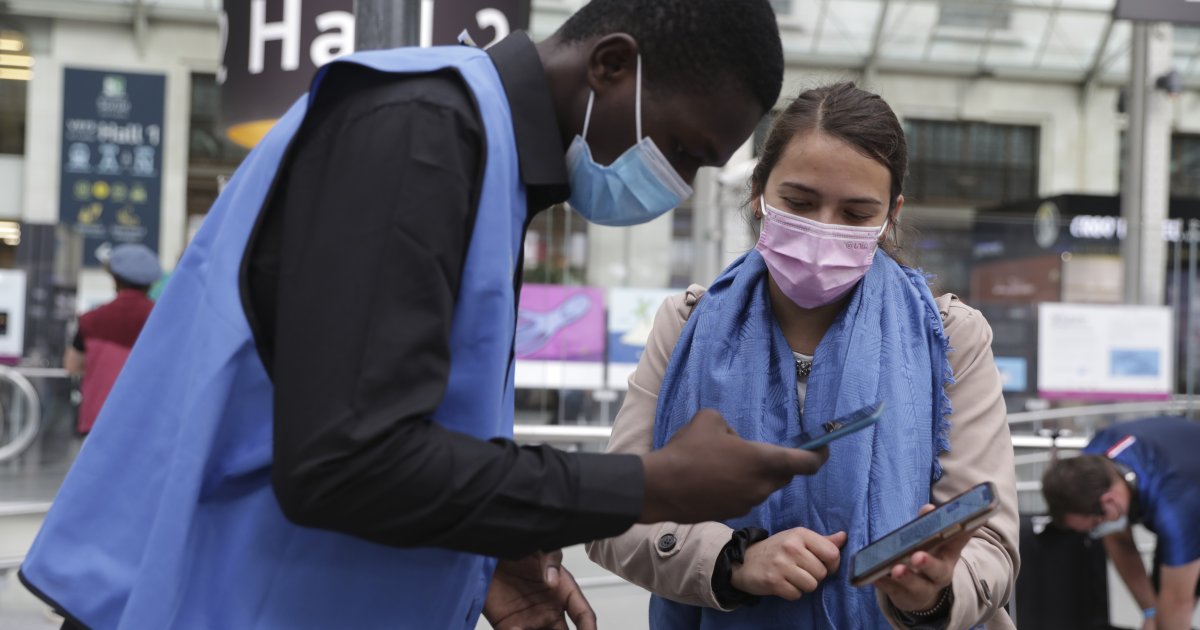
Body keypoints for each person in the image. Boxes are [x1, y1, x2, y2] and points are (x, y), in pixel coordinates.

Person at [19, 2, 831, 629]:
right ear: (612, 66)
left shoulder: (481, 159)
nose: (676, 184)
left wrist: (482, 545)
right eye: (683, 149)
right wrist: (651, 484)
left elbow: (382, 421)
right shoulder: (422, 133)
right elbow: (348, 461)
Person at [587, 83, 1020, 629]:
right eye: (800, 203)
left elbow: (991, 543)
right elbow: (613, 517)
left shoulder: (951, 336)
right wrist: (731, 559)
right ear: (758, 193)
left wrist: (929, 594)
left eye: (857, 212)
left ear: (892, 214)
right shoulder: (685, 326)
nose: (823, 229)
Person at [1042, 416, 1200, 630]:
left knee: (1174, 606)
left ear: (1110, 501)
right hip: (1175, 466)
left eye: (1095, 526)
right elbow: (1120, 542)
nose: (1097, 533)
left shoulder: (1175, 509)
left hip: (1187, 490)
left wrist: (1165, 619)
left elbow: (1178, 602)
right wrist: (1150, 610)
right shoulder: (1093, 461)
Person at [63, 243, 161, 436]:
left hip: (98, 418)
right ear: (150, 282)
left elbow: (72, 365)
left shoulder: (91, 320)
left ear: (114, 277)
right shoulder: (163, 319)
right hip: (147, 421)